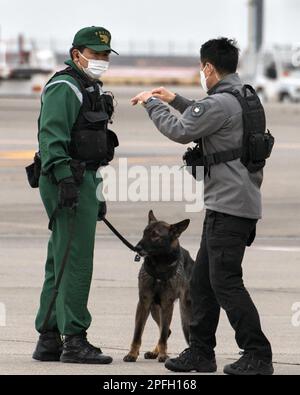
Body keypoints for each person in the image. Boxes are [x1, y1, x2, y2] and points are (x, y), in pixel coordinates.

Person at [131, 38, 273, 375]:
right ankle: (200, 352)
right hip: (234, 203)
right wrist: (177, 98)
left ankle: (258, 354)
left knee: (225, 282)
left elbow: (182, 130)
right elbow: (207, 116)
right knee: (201, 284)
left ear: (208, 67)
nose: (201, 73)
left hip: (229, 208)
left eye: (201, 68)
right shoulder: (243, 96)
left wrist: (153, 103)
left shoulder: (221, 102)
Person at [32, 26, 118, 365]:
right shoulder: (64, 87)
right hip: (67, 177)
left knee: (61, 257)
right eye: (95, 54)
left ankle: (49, 337)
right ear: (76, 54)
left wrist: (94, 192)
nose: (101, 60)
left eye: (105, 55)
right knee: (76, 259)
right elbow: (51, 138)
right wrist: (67, 181)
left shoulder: (87, 86)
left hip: (83, 178)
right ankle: (75, 339)